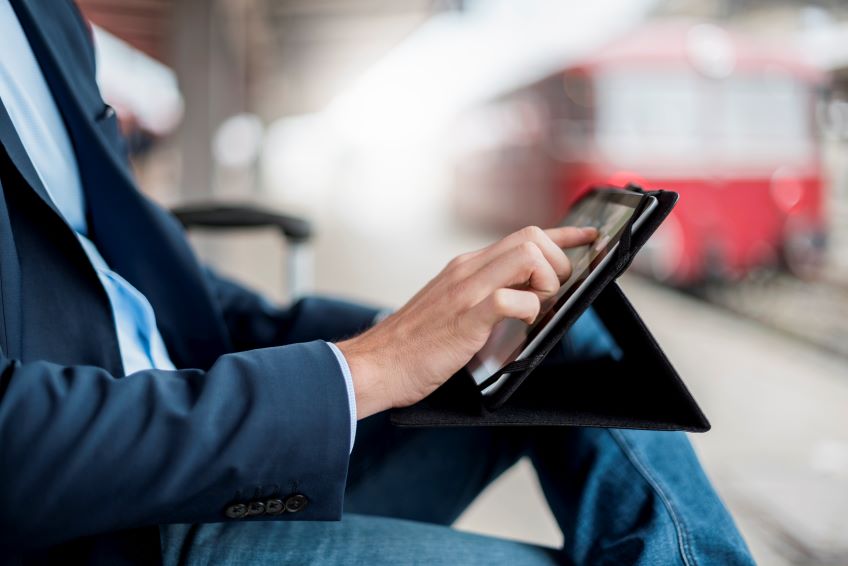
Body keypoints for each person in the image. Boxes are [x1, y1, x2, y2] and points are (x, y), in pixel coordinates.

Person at [0, 1, 754, 564]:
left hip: (221, 436)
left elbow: (146, 288)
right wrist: (368, 368)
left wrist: (426, 332)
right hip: (116, 526)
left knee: (565, 319)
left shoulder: (42, 18)